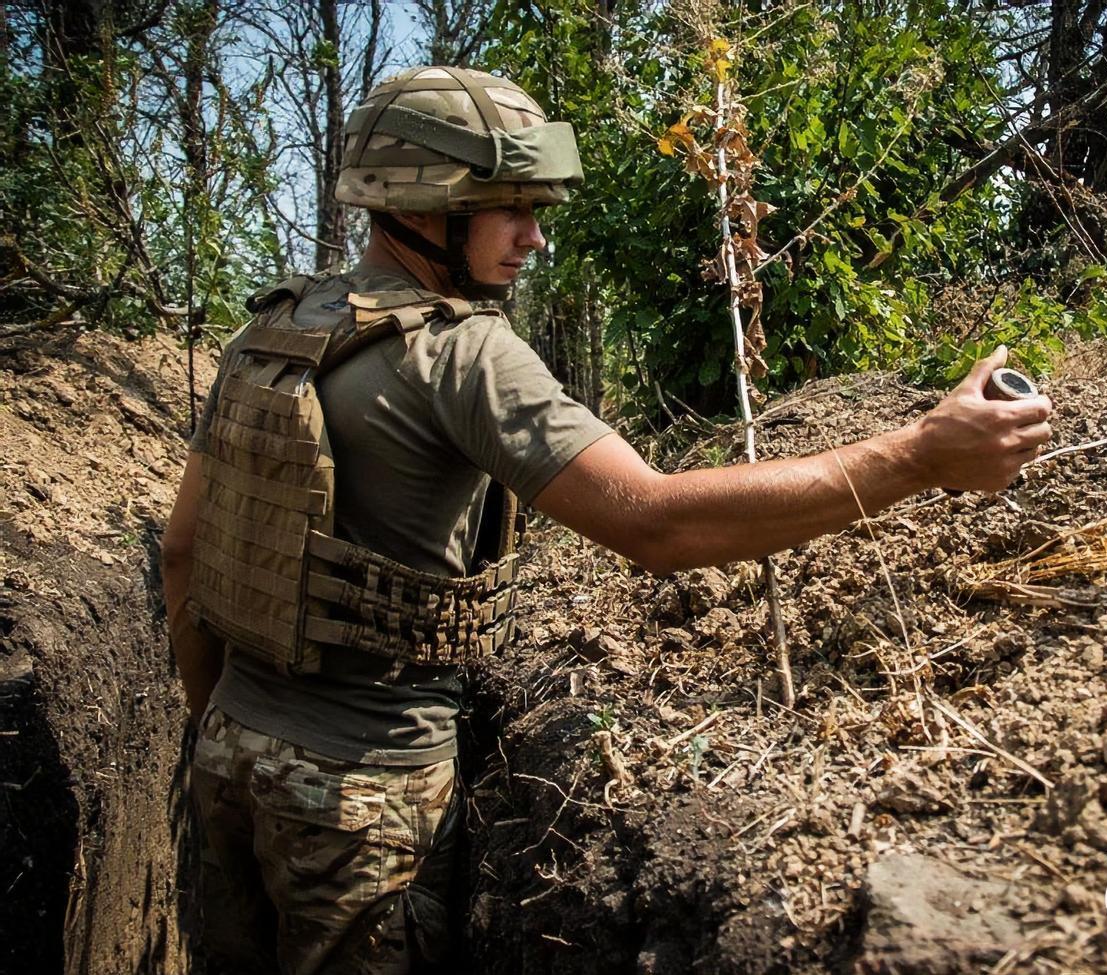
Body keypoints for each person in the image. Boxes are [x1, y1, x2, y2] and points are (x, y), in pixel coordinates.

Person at [160, 66, 1051, 975]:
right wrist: (916, 457)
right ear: (426, 209)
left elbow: (183, 550)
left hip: (227, 754)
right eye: (510, 207)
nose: (534, 237)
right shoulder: (464, 353)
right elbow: (654, 523)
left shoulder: (274, 329)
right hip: (365, 802)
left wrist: (221, 730)